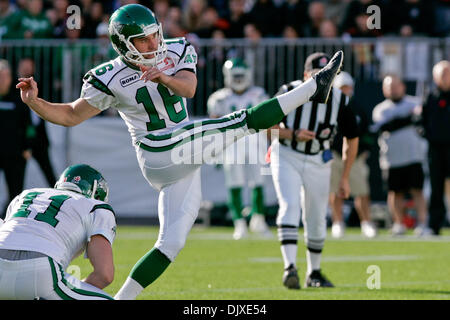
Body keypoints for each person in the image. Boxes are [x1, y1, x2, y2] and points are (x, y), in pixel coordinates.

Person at [16, 4, 344, 299]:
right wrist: (35, 102)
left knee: (171, 244)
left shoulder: (177, 49)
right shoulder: (109, 76)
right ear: (123, 45)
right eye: (143, 40)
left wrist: (164, 78)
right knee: (240, 122)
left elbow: (188, 87)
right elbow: (72, 114)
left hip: (183, 153)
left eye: (155, 35)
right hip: (157, 150)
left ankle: (119, 300)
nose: (154, 44)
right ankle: (316, 87)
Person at [267, 53, 359, 290]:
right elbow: (267, 126)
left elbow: (353, 138)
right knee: (289, 205)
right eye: (319, 75)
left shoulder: (340, 99)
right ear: (306, 75)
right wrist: (292, 134)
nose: (324, 80)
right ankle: (290, 267)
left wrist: (345, 177)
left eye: (329, 74)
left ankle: (314, 272)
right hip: (287, 153)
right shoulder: (289, 90)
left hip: (319, 159)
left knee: (317, 215)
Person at [0, 164, 116, 300]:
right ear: (96, 192)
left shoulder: (26, 195)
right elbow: (104, 275)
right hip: (40, 272)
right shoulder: (96, 207)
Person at [207, 57, 271, 240]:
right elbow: (215, 128)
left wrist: (272, 144)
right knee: (234, 184)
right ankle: (239, 222)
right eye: (235, 75)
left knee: (258, 182)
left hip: (255, 141)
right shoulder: (219, 98)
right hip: (231, 144)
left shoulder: (259, 94)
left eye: (241, 75)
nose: (238, 79)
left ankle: (258, 219)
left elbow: (267, 122)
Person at [372, 75, 430, 236]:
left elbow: (422, 122)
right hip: (391, 159)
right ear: (384, 90)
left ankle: (423, 224)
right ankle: (399, 224)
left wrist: (417, 115)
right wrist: (411, 116)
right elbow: (388, 126)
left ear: (403, 87)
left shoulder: (415, 103)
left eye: (396, 86)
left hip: (414, 156)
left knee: (417, 190)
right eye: (389, 87)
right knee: (395, 192)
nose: (393, 89)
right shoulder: (380, 109)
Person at [329, 71, 377, 238]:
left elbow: (367, 133)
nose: (345, 90)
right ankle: (338, 222)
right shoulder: (329, 108)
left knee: (361, 191)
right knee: (335, 190)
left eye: (347, 87)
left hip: (355, 156)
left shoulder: (358, 109)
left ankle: (366, 222)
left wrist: (364, 151)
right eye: (342, 87)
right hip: (334, 155)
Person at [0, 59, 33, 219]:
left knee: (16, 192)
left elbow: (28, 126)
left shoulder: (17, 98)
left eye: (5, 76)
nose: (3, 80)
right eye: (0, 76)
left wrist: (27, 147)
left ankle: (9, 221)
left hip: (14, 154)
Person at [421, 60, 450, 235]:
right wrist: (427, 135)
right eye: (442, 74)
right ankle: (434, 225)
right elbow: (421, 122)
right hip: (436, 149)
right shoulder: (430, 97)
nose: (445, 77)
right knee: (436, 187)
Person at [17, 57, 57, 187]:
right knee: (16, 179)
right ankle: (10, 205)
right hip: (21, 141)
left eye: (29, 66)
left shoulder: (39, 86)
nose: (27, 69)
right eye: (24, 66)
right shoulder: (12, 89)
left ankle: (61, 202)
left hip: (39, 139)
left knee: (50, 176)